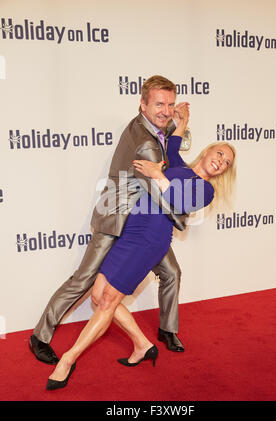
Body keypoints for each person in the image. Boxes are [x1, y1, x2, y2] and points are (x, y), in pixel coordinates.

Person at [46, 107, 236, 390]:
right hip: (131, 229)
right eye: (219, 154)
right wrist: (182, 121)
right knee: (98, 297)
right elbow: (173, 141)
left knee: (108, 300)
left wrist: (156, 175)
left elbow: (180, 203)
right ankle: (142, 345)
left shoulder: (206, 190)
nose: (221, 161)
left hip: (151, 241)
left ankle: (68, 359)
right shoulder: (178, 165)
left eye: (227, 162)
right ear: (208, 151)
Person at [30, 75, 194, 366]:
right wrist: (182, 218)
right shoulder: (145, 142)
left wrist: (180, 124)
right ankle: (40, 336)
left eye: (170, 104)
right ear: (142, 104)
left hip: (142, 224)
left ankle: (167, 329)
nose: (166, 110)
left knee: (171, 273)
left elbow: (173, 142)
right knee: (83, 280)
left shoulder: (153, 126)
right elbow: (160, 190)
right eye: (159, 104)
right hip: (118, 221)